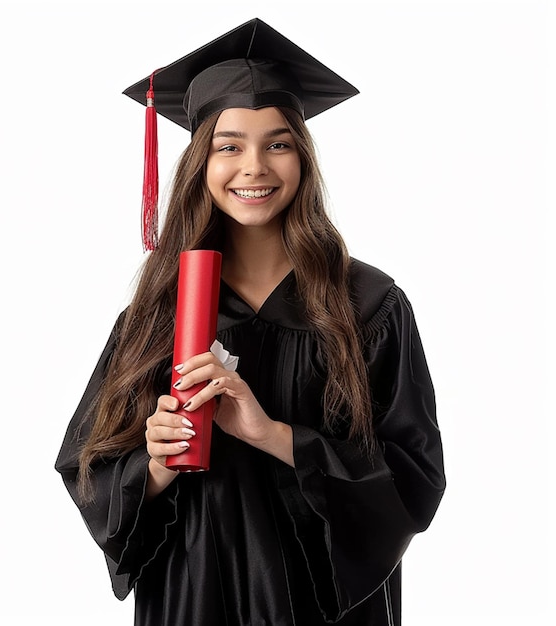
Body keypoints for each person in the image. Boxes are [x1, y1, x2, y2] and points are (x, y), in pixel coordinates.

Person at [55, 18, 445, 626]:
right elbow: (88, 468)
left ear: (303, 156)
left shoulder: (369, 304)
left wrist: (271, 433)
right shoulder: (157, 313)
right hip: (193, 593)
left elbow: (414, 478)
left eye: (278, 143)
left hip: (322, 605)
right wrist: (156, 463)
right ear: (200, 162)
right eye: (228, 145)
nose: (254, 167)